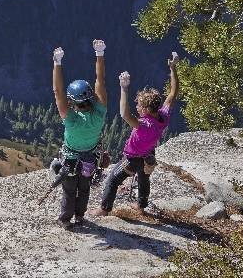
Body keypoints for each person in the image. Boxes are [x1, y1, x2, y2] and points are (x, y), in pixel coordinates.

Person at [89, 52, 179, 217]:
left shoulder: (144, 124)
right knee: (144, 178)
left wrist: (124, 88)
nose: (136, 107)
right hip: (149, 155)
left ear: (145, 109)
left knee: (113, 180)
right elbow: (173, 93)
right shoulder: (163, 117)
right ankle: (141, 205)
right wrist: (173, 69)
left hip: (133, 159)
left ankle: (104, 209)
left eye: (138, 105)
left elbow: (124, 114)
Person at [52, 40, 107, 230]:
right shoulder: (99, 114)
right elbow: (100, 81)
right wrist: (99, 53)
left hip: (70, 159)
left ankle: (65, 220)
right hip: (89, 159)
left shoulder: (70, 118)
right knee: (84, 188)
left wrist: (57, 63)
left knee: (68, 190)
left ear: (72, 101)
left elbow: (57, 92)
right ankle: (80, 216)